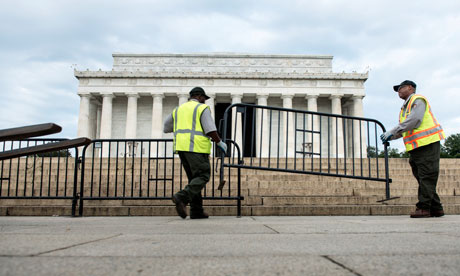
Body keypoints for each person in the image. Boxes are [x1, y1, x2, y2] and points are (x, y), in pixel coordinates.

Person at [380, 80, 445, 218]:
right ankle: (436, 207)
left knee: (426, 176)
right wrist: (391, 136)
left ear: (410, 88)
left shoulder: (417, 100)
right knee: (423, 177)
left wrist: (392, 130)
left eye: (400, 88)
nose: (398, 91)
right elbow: (405, 128)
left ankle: (423, 208)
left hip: (427, 143)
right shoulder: (405, 107)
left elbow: (414, 120)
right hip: (417, 147)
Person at [163, 87, 227, 219]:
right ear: (199, 96)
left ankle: (196, 211)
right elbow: (210, 129)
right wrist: (219, 142)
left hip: (181, 148)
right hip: (196, 148)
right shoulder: (201, 109)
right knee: (203, 176)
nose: (205, 101)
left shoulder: (178, 109)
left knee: (194, 179)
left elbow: (166, 127)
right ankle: (181, 197)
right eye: (204, 98)